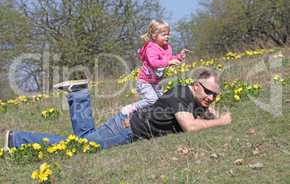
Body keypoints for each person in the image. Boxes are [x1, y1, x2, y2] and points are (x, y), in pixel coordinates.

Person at [4, 69, 232, 150]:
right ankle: (18, 139)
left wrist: (210, 111)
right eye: (208, 92)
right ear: (195, 85)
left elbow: (202, 115)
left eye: (215, 94)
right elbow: (190, 126)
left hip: (124, 125)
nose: (211, 97)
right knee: (80, 147)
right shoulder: (180, 96)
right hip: (124, 129)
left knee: (82, 139)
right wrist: (221, 122)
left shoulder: (190, 97)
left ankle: (79, 94)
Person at [121, 19, 190, 115]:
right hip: (144, 82)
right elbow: (154, 63)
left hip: (156, 83)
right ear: (154, 35)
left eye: (168, 34)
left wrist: (179, 57)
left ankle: (150, 117)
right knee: (152, 100)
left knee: (162, 101)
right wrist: (169, 62)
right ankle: (132, 108)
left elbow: (169, 59)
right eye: (164, 34)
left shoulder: (167, 47)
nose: (167, 37)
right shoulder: (151, 47)